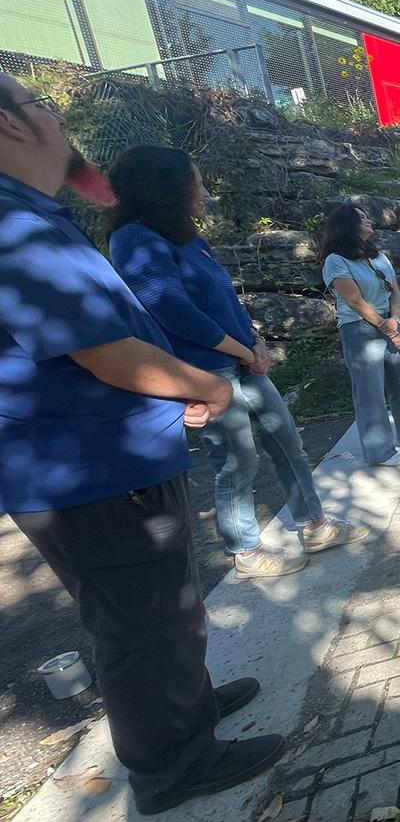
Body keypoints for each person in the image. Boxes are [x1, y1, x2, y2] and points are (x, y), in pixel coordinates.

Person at [0, 73, 285, 814]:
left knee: (168, 606)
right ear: (9, 129)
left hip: (106, 461)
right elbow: (101, 348)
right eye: (42, 106)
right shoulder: (16, 226)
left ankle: (187, 710)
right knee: (139, 620)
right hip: (89, 472)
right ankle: (171, 764)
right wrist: (206, 385)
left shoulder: (35, 216)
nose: (59, 119)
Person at [108, 145, 370, 580]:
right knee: (235, 459)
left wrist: (256, 340)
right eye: (195, 181)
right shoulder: (135, 238)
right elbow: (170, 308)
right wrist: (241, 350)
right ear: (165, 188)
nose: (203, 190)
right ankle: (245, 551)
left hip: (243, 360)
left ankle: (315, 526)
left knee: (287, 440)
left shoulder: (186, 236)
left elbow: (224, 298)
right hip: (205, 370)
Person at [318, 204, 400, 464]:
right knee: (370, 391)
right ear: (347, 225)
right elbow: (354, 300)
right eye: (361, 218)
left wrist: (394, 319)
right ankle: (379, 452)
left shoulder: (378, 256)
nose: (369, 220)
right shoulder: (336, 260)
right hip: (359, 329)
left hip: (391, 324)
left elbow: (394, 290)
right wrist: (385, 326)